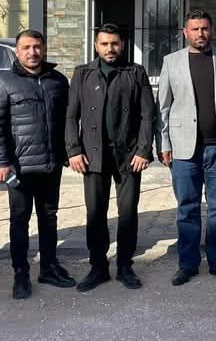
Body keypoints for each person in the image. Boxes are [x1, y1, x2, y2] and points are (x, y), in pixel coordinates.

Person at [0, 29, 74, 299]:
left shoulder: (58, 81)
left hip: (51, 165)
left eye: (37, 47)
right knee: (19, 220)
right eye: (26, 47)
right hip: (19, 168)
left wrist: (68, 152)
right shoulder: (3, 83)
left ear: (43, 49)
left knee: (49, 217)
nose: (32, 52)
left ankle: (49, 267)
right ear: (17, 51)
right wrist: (1, 161)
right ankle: (20, 273)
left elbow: (68, 120)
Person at [65, 23, 155, 292]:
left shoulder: (135, 72)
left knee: (127, 212)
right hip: (92, 154)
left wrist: (143, 150)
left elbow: (147, 115)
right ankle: (98, 267)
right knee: (95, 212)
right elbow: (70, 115)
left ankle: (125, 265)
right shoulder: (83, 73)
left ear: (122, 44)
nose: (110, 48)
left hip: (128, 154)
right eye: (104, 44)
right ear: (96, 45)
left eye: (114, 43)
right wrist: (73, 150)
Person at [158, 10, 216, 286]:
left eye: (204, 28)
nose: (200, 33)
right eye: (194, 29)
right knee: (187, 209)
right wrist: (164, 142)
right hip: (184, 149)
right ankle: (187, 264)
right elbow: (163, 108)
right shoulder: (171, 62)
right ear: (185, 32)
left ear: (211, 30)